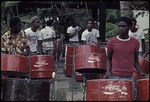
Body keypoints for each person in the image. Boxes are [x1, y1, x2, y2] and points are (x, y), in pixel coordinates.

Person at [103, 16, 147, 100]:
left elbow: (135, 60)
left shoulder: (135, 43)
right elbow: (109, 58)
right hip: (114, 76)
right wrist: (108, 71)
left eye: (124, 26)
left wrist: (141, 72)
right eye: (119, 26)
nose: (121, 28)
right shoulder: (111, 42)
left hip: (129, 77)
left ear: (130, 27)